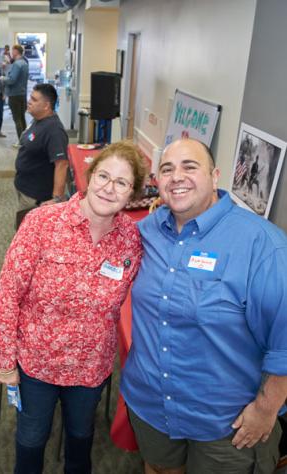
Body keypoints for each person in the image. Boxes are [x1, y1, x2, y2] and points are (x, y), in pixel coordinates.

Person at [120, 138, 287, 474]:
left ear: (215, 176)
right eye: (167, 169)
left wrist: (266, 410)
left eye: (189, 167)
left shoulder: (262, 244)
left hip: (226, 425)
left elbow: (284, 343)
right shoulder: (147, 231)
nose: (176, 176)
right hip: (151, 405)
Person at [0, 140, 146, 473]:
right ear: (89, 176)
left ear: (132, 194)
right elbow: (7, 295)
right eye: (104, 176)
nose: (109, 188)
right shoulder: (43, 223)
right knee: (31, 441)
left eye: (122, 182)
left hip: (90, 368)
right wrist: (5, 361)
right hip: (36, 364)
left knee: (80, 439)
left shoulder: (132, 240)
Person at [14, 83, 69, 225]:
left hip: (35, 196)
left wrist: (57, 198)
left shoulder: (54, 130)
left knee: (28, 234)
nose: (29, 101)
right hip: (25, 187)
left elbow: (61, 164)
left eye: (34, 99)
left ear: (46, 106)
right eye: (30, 97)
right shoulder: (38, 120)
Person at [0, 44, 29, 145]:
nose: (11, 53)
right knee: (22, 118)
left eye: (13, 51)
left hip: (14, 95)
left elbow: (12, 80)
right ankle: (25, 140)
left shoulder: (17, 64)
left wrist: (3, 79)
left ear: (17, 51)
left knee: (17, 119)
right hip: (22, 94)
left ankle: (21, 142)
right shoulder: (25, 63)